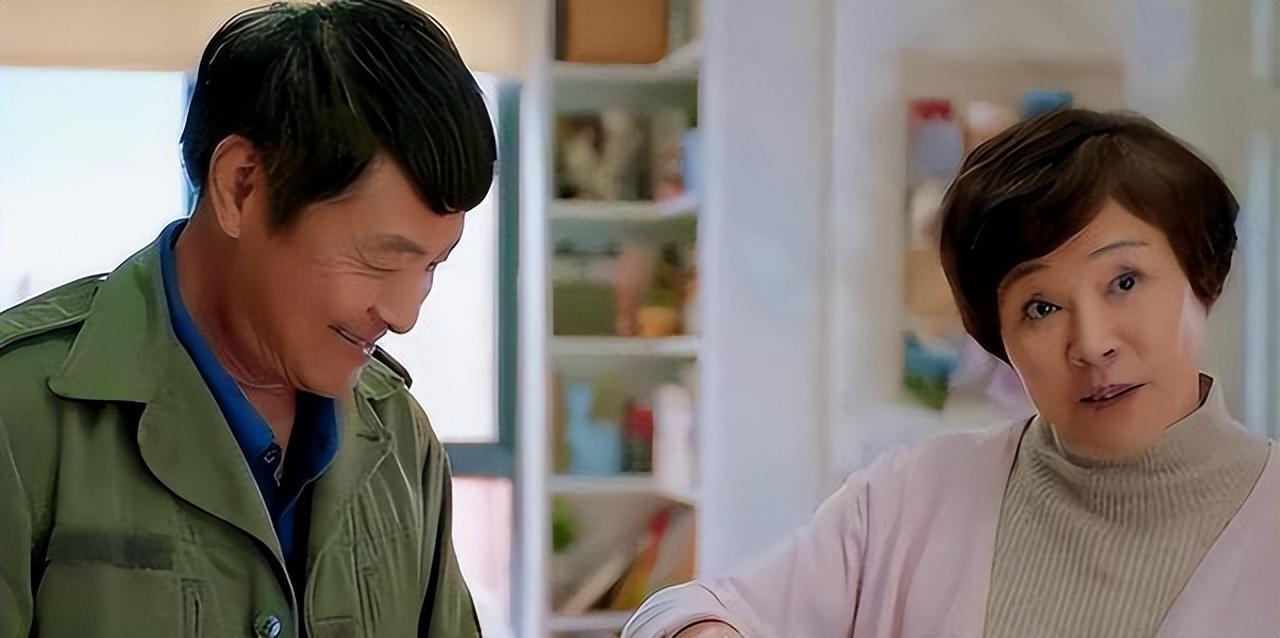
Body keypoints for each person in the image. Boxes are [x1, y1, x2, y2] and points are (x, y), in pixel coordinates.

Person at [623, 109, 1278, 638]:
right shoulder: (914, 496)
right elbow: (679, 612)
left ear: (1201, 280)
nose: (1092, 343)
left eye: (1125, 281)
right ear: (1000, 338)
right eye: (1040, 307)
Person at [0, 1, 496, 636]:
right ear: (242, 187)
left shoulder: (403, 440)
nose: (404, 316)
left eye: (432, 266)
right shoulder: (18, 415)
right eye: (380, 259)